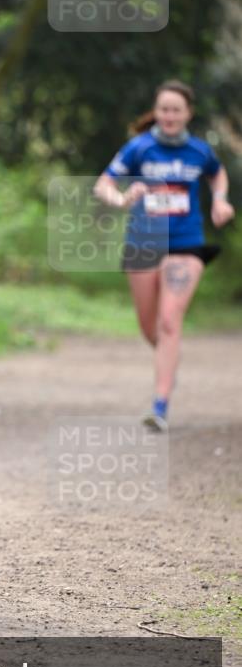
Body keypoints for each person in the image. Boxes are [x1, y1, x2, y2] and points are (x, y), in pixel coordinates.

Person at [94, 79, 235, 431]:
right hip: (144, 242)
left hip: (186, 243)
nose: (169, 116)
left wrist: (219, 200)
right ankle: (168, 364)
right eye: (163, 109)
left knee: (170, 320)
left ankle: (160, 405)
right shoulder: (139, 148)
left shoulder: (201, 152)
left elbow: (218, 176)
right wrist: (123, 199)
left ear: (188, 114)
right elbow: (104, 185)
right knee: (150, 325)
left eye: (176, 110)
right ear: (156, 112)